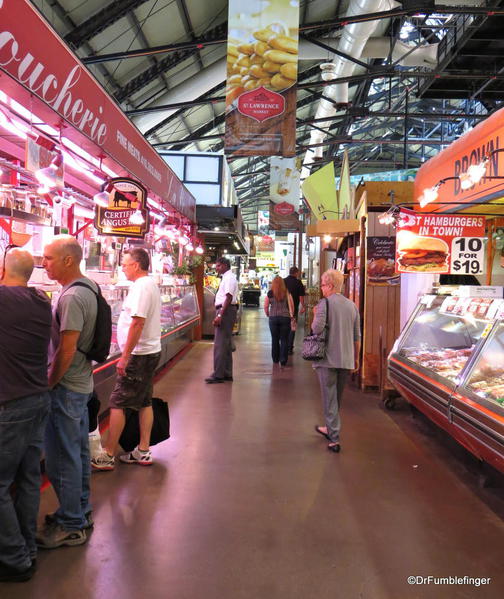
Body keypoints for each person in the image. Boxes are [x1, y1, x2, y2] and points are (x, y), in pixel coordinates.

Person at [36, 235, 98, 549]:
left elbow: (66, 350)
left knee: (62, 458)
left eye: (48, 258)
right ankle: (80, 511)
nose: (43, 263)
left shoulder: (71, 297)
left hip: (67, 388)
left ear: (68, 260)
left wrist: (48, 383)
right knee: (78, 454)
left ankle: (71, 524)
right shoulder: (89, 287)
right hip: (82, 384)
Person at [0, 248, 52, 582]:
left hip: (11, 405)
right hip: (37, 400)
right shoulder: (41, 301)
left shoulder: (4, 300)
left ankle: (15, 559)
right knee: (29, 479)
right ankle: (27, 548)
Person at [91, 248, 161, 470]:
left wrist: (125, 356)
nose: (123, 267)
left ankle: (109, 454)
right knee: (144, 401)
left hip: (138, 355)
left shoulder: (141, 287)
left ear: (137, 266)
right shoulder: (147, 284)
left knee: (118, 402)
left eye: (125, 264)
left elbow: (137, 322)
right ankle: (143, 450)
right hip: (149, 351)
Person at [312, 269, 361, 453]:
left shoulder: (324, 304)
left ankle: (334, 438)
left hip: (327, 359)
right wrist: (356, 358)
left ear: (330, 285)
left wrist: (316, 313)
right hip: (346, 358)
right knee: (336, 398)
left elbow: (316, 329)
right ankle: (330, 427)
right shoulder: (352, 305)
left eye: (323, 285)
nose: (322, 289)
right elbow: (357, 336)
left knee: (329, 398)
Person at [205, 257, 238, 384]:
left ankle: (218, 374)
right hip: (227, 311)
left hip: (225, 311)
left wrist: (220, 315)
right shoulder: (227, 277)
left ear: (225, 265)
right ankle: (227, 373)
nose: (216, 268)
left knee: (220, 344)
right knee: (226, 344)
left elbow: (228, 297)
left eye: (218, 266)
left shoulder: (229, 278)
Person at [264, 276, 294, 368]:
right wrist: (292, 316)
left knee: (274, 339)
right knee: (284, 339)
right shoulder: (287, 293)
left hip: (273, 318)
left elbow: (265, 305)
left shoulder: (270, 293)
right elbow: (291, 306)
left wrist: (268, 313)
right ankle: (283, 360)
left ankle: (275, 359)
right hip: (285, 318)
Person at [283, 266, 306, 354]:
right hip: (293, 309)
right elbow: (301, 296)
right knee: (292, 327)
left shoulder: (284, 281)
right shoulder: (298, 282)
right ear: (296, 273)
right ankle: (289, 348)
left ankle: (284, 346)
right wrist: (303, 306)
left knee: (284, 327)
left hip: (284, 308)